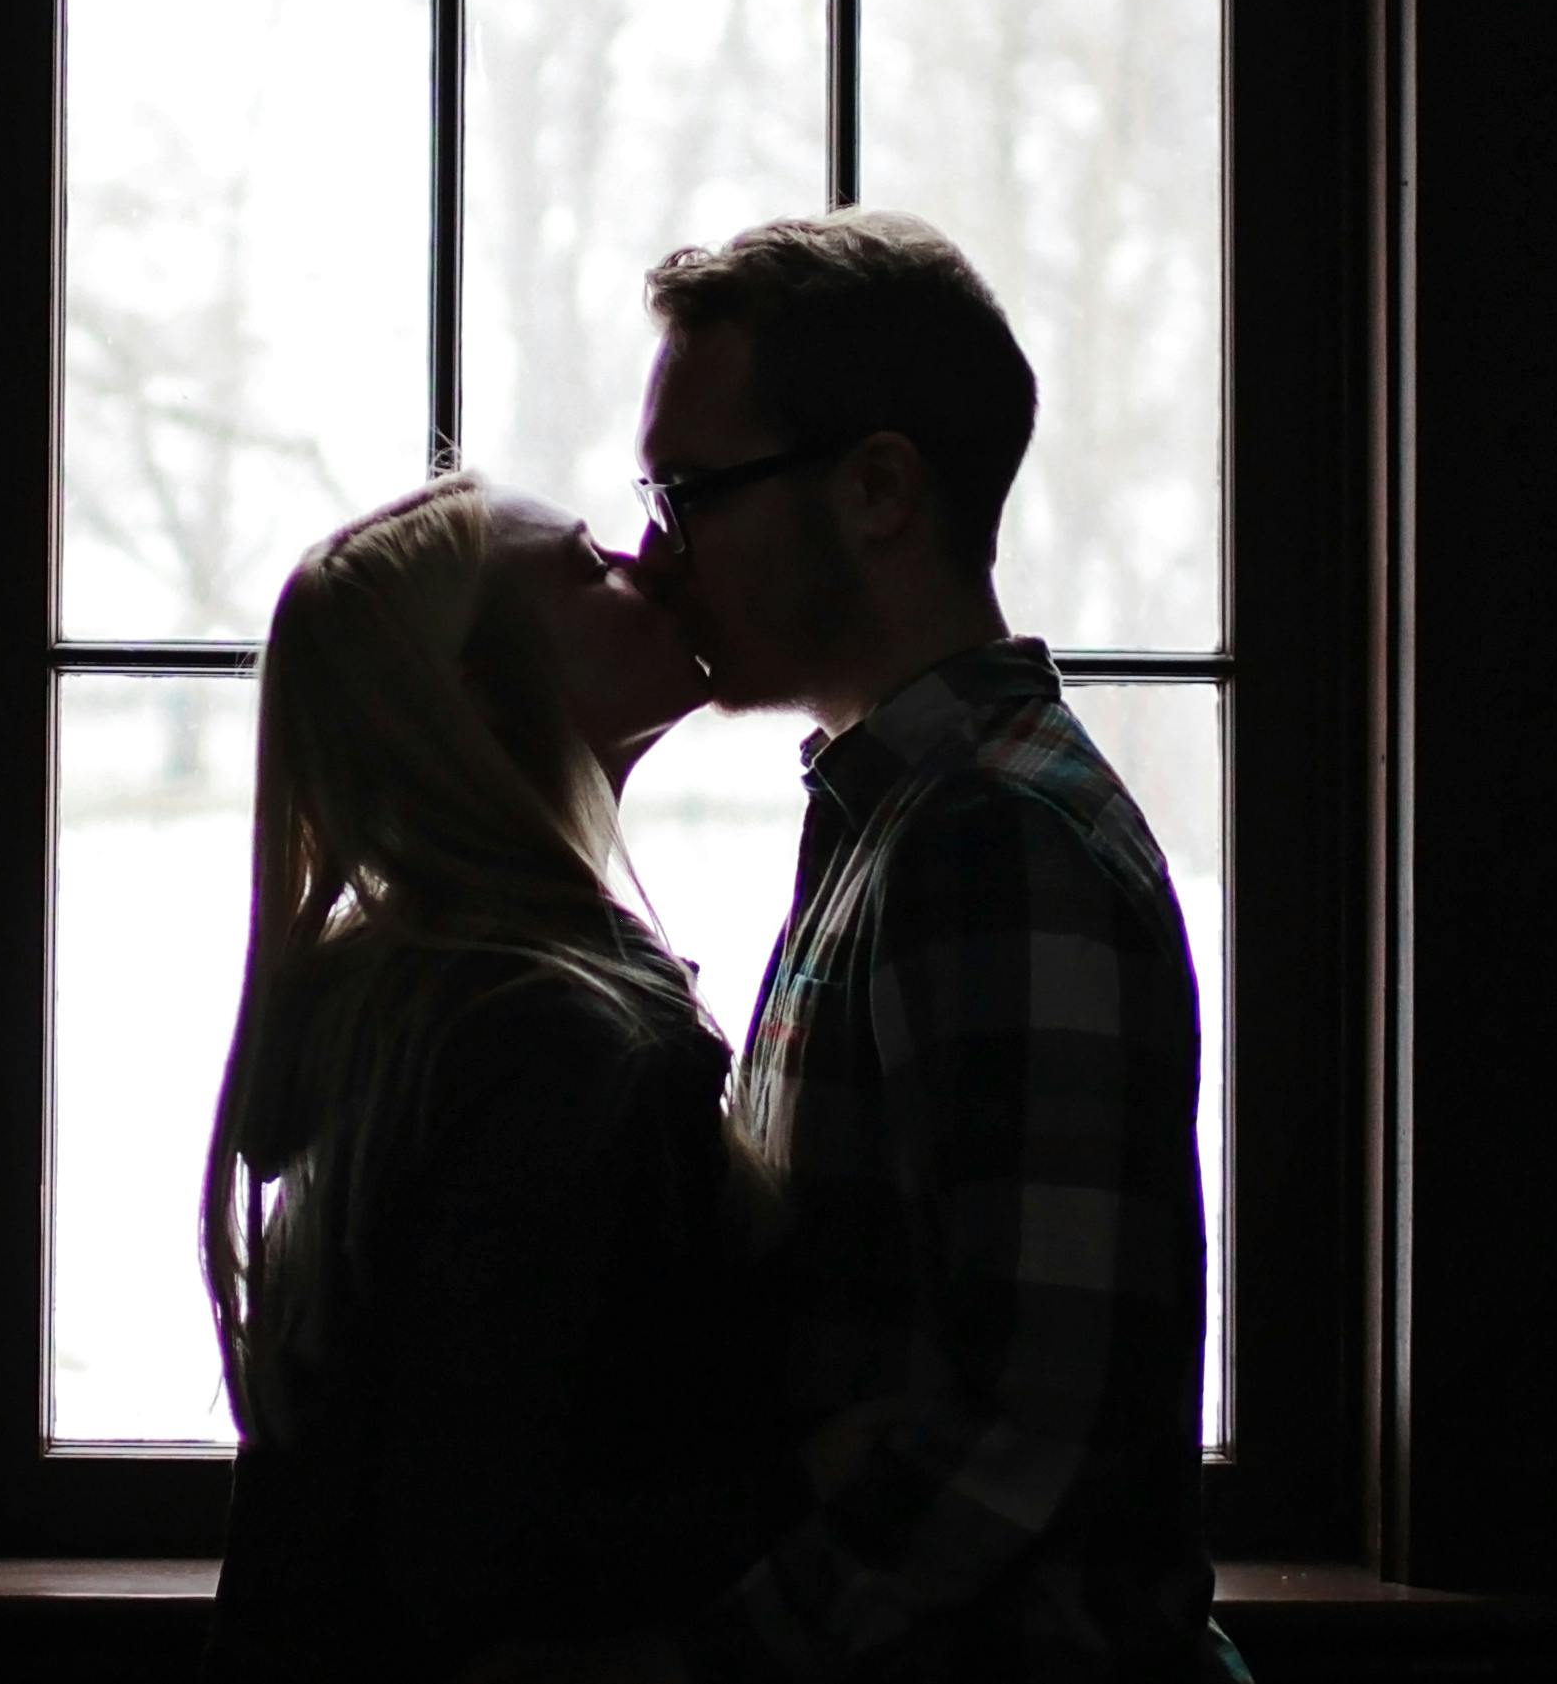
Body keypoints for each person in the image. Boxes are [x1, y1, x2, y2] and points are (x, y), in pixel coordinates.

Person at [482, 211, 1245, 1684]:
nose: (657, 552)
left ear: (879, 490)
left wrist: (692, 1672)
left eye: (690, 493)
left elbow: (1021, 1437)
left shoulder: (991, 838)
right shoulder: (897, 815)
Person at [202, 472, 802, 1683]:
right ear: (478, 695)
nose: (647, 563)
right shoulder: (561, 1046)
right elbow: (490, 1531)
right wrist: (815, 1471)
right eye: (586, 567)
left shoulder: (423, 1011)